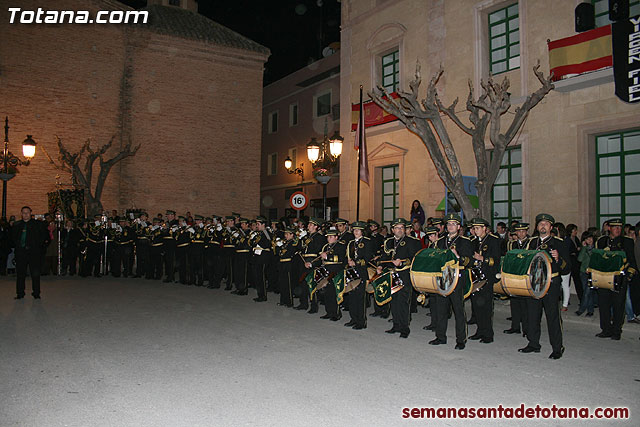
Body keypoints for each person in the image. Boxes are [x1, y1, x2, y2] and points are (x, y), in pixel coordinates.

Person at [521, 213, 570, 360]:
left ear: (551, 227)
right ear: (537, 227)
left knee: (553, 316)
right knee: (532, 315)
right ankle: (533, 343)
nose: (543, 226)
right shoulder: (530, 242)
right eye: (541, 224)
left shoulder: (559, 243)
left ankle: (557, 347)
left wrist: (558, 258)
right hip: (533, 283)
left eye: (546, 224)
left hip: (551, 284)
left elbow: (567, 268)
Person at [430, 213, 472, 349]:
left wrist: (457, 256)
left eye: (453, 224)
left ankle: (461, 340)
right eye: (448, 224)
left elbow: (468, 261)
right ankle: (440, 336)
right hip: (443, 279)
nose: (450, 226)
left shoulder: (465, 241)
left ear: (459, 227)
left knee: (458, 310)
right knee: (440, 309)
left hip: (456, 279)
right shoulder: (441, 241)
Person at [378, 218, 421, 339]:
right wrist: (380, 266)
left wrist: (401, 263)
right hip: (391, 274)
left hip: (404, 275)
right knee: (394, 301)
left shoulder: (412, 241)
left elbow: (414, 258)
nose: (400, 230)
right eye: (397, 228)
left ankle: (404, 328)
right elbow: (384, 256)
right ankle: (396, 325)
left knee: (403, 302)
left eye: (402, 228)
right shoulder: (388, 241)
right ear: (392, 230)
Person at [594, 219, 637, 340]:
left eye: (620, 227)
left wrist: (629, 275)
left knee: (618, 306)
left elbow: (632, 260)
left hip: (619, 277)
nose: (618, 230)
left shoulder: (627, 242)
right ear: (609, 228)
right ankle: (606, 329)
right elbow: (596, 258)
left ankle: (617, 331)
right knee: (604, 305)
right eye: (615, 227)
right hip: (603, 277)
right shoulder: (602, 241)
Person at [468, 217, 501, 344]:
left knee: (486, 307)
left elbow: (496, 260)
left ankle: (488, 334)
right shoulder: (474, 241)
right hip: (476, 276)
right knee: (477, 306)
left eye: (477, 228)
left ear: (485, 229)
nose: (475, 231)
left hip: (487, 276)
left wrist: (482, 258)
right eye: (474, 228)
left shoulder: (493, 240)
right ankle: (480, 330)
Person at [10, 206, 49, 299]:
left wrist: (40, 248)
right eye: (23, 213)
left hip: (34, 253)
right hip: (21, 253)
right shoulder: (17, 225)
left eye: (27, 212)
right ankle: (20, 293)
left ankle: (36, 293)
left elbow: (45, 237)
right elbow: (12, 238)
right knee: (20, 274)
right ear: (21, 214)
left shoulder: (38, 224)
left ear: (31, 213)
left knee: (35, 273)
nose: (25, 214)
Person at [345, 221, 373, 330]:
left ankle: (361, 322)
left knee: (360, 298)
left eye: (358, 230)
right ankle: (353, 319)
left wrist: (355, 263)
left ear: (362, 231)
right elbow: (347, 256)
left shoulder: (367, 242)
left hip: (361, 272)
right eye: (354, 230)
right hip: (351, 273)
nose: (356, 232)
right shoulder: (351, 243)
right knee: (352, 297)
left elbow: (367, 258)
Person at [504, 223, 530, 336]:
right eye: (518, 232)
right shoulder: (512, 244)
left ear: (526, 232)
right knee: (514, 303)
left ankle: (526, 329)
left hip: (525, 277)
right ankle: (515, 326)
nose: (521, 234)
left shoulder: (531, 243)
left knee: (525, 305)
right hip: (513, 276)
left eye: (523, 231)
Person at [575, 231, 595, 317]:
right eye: (587, 239)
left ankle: (582, 309)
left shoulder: (596, 248)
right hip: (583, 272)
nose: (589, 240)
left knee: (588, 291)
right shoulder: (584, 248)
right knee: (586, 292)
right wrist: (584, 248)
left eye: (590, 238)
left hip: (593, 272)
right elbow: (579, 259)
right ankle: (590, 310)